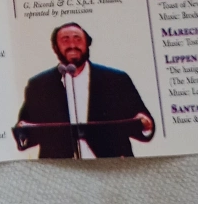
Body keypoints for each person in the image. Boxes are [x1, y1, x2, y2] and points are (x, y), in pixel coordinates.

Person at [15, 23, 154, 158]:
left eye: (78, 39)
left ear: (87, 44)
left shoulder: (116, 79)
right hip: (61, 168)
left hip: (111, 165)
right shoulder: (40, 84)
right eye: (65, 40)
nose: (72, 45)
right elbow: (25, 131)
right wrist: (22, 132)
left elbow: (143, 124)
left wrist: (145, 125)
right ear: (55, 47)